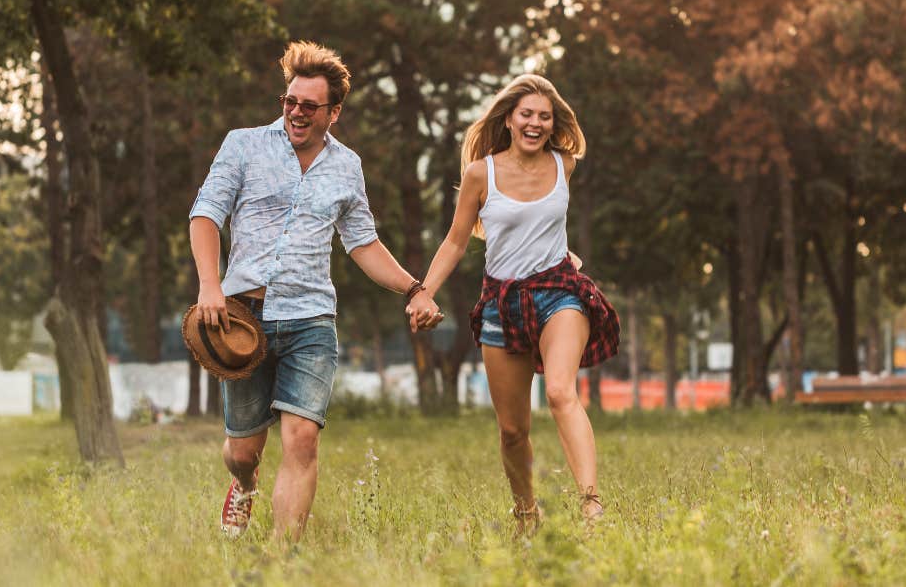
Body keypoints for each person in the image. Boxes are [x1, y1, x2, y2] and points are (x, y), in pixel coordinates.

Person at [189, 41, 440, 541]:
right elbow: (206, 214)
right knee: (244, 450)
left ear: (334, 112)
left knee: (302, 441)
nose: (296, 113)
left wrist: (416, 288)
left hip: (311, 320)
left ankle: (285, 563)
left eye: (309, 106)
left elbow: (363, 243)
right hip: (241, 317)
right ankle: (244, 485)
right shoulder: (244, 145)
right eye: (289, 102)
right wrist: (210, 286)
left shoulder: (348, 167)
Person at [410, 74, 619, 531]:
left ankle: (591, 505)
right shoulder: (480, 173)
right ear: (508, 119)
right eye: (527, 114)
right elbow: (455, 241)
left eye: (545, 116)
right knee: (512, 431)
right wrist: (423, 290)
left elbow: (546, 230)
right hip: (502, 302)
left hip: (558, 292)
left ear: (553, 123)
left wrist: (565, 256)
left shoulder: (566, 165)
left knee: (562, 391)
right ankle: (526, 511)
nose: (536, 123)